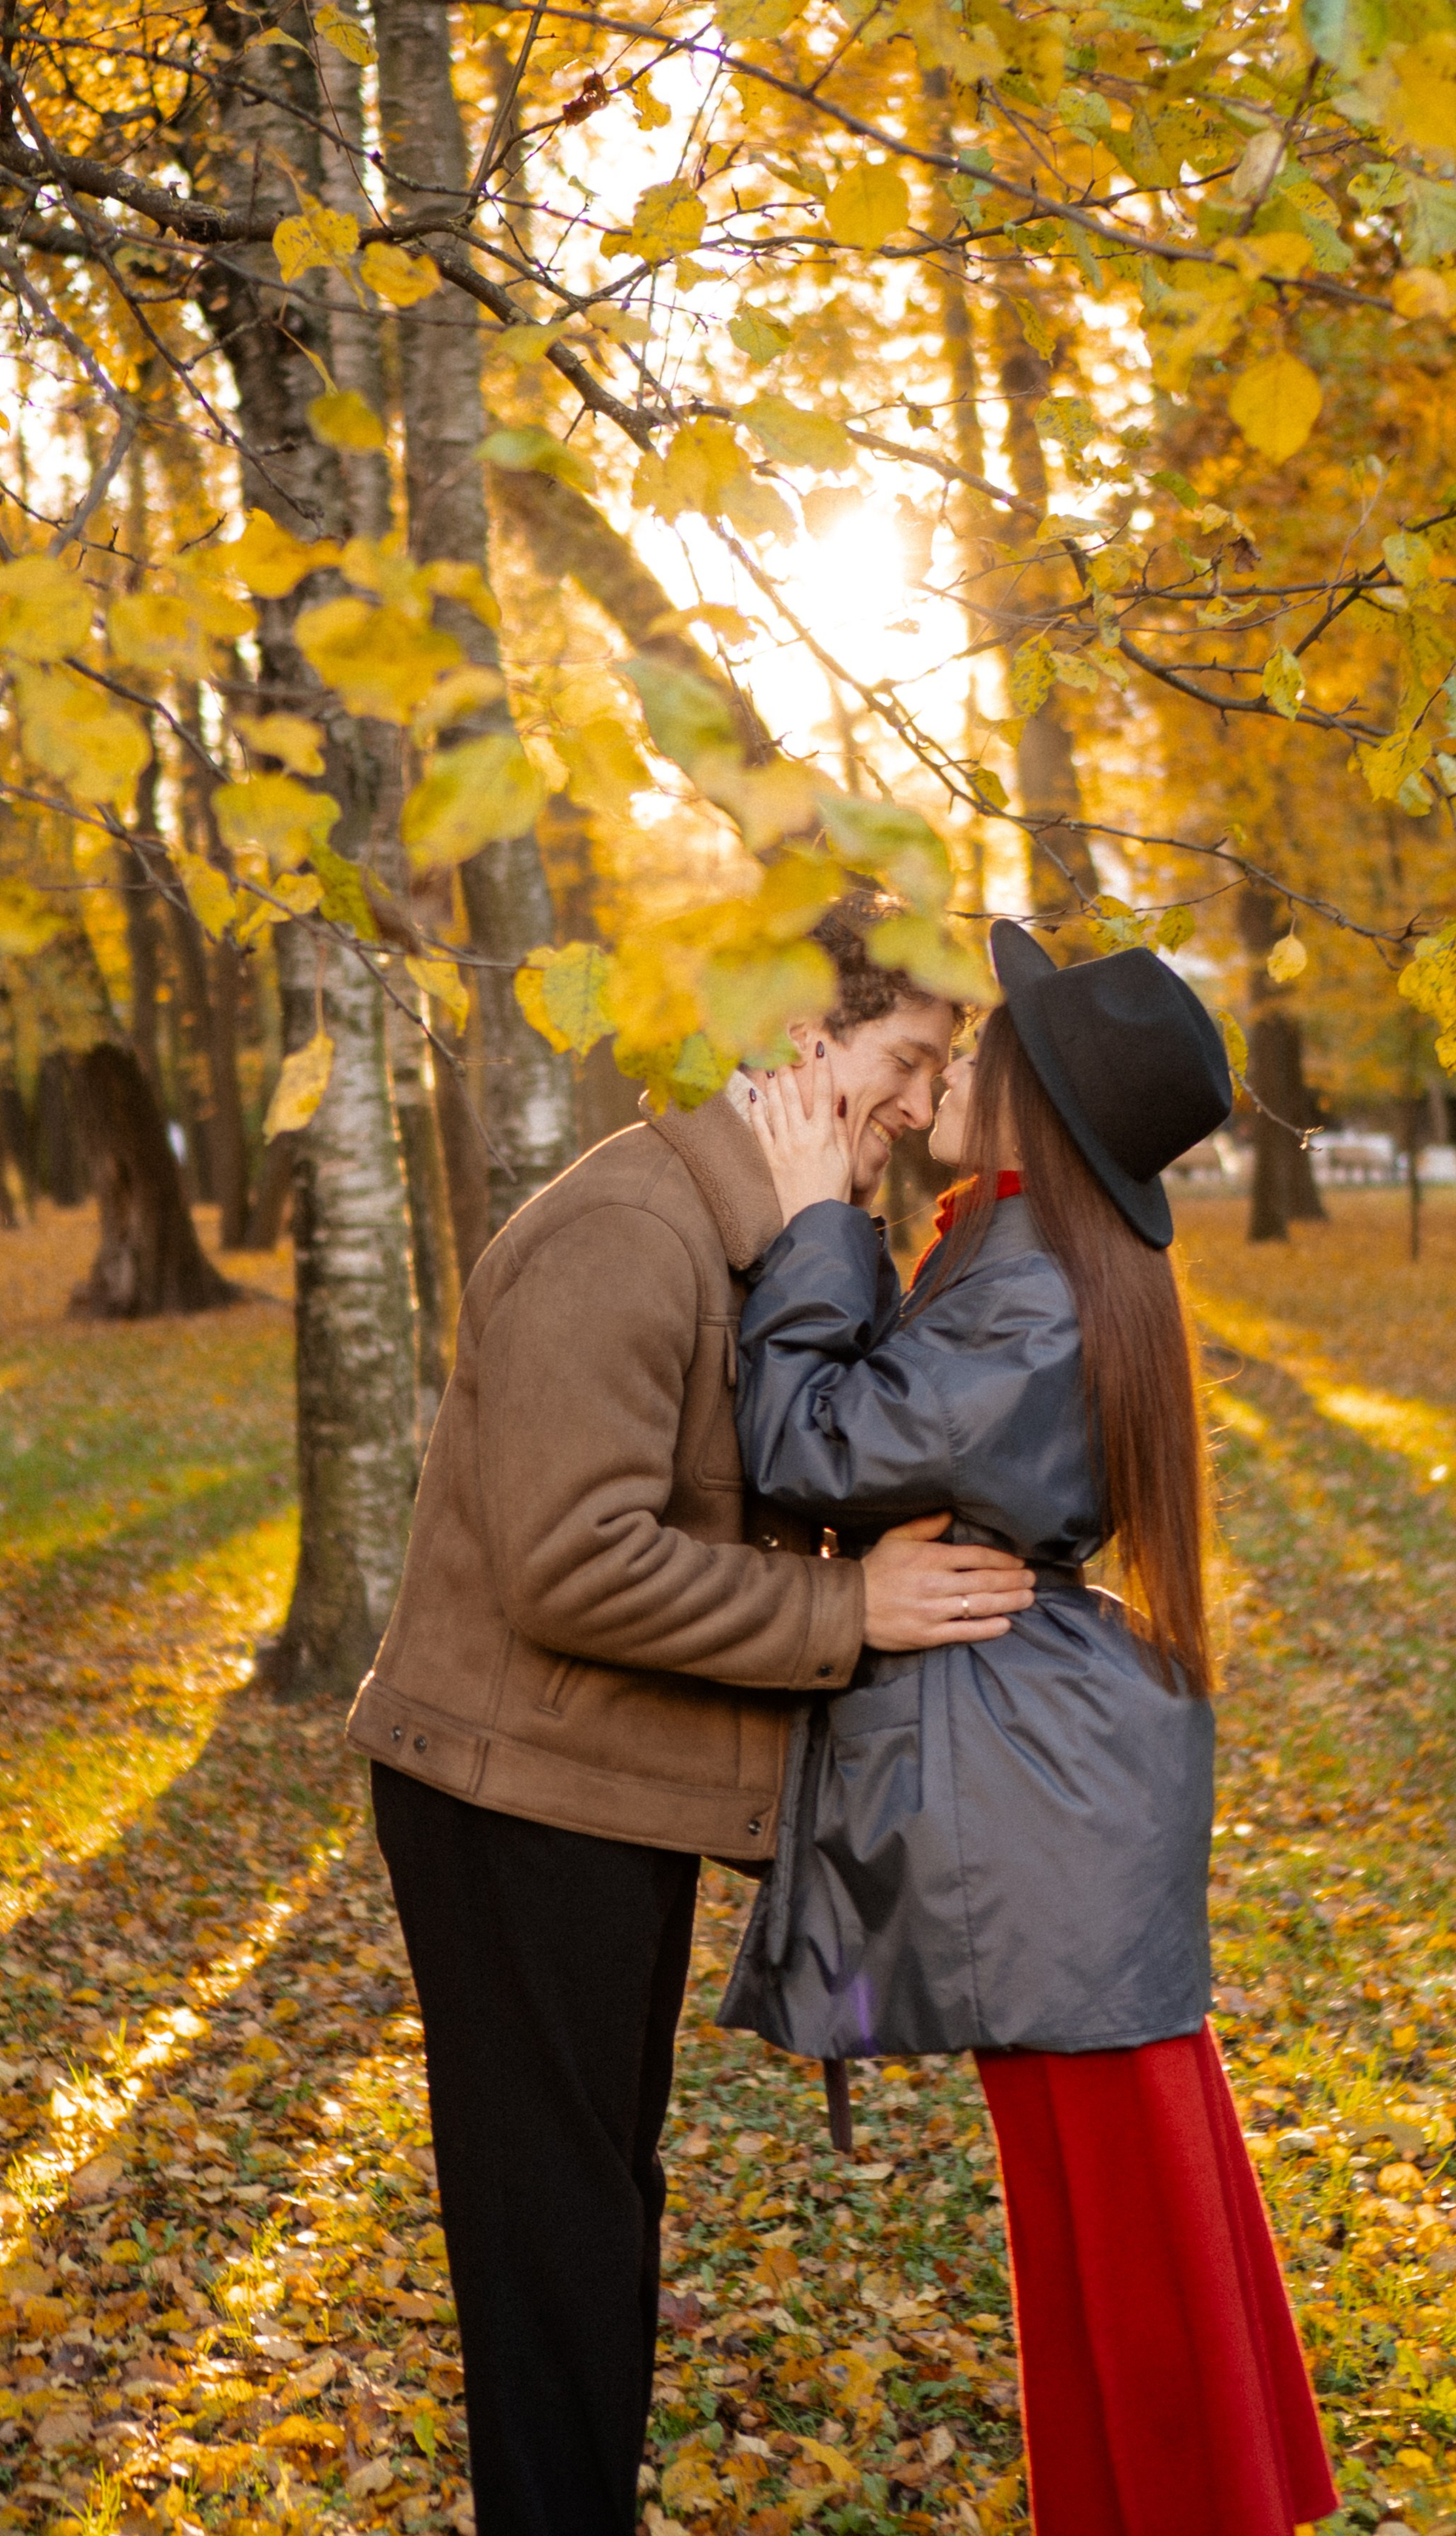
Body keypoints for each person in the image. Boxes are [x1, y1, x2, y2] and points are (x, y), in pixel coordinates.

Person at [345, 898, 1037, 2536]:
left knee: (593, 2205)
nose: (923, 1103)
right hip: (510, 1801)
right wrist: (850, 1615)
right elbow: (572, 1566)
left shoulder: (779, 1227)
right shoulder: (629, 1230)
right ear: (803, 1039)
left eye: (939, 1069)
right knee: (553, 2230)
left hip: (600, 1787)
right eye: (904, 1060)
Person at [721, 920, 1338, 2536]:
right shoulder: (1010, 1253)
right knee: (1102, 2212)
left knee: (1128, 2218)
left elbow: (814, 1443)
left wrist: (814, 1222)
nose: (955, 1067)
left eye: (985, 1050)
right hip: (1046, 1783)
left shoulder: (1028, 1289)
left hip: (1041, 1801)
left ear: (1040, 1108)